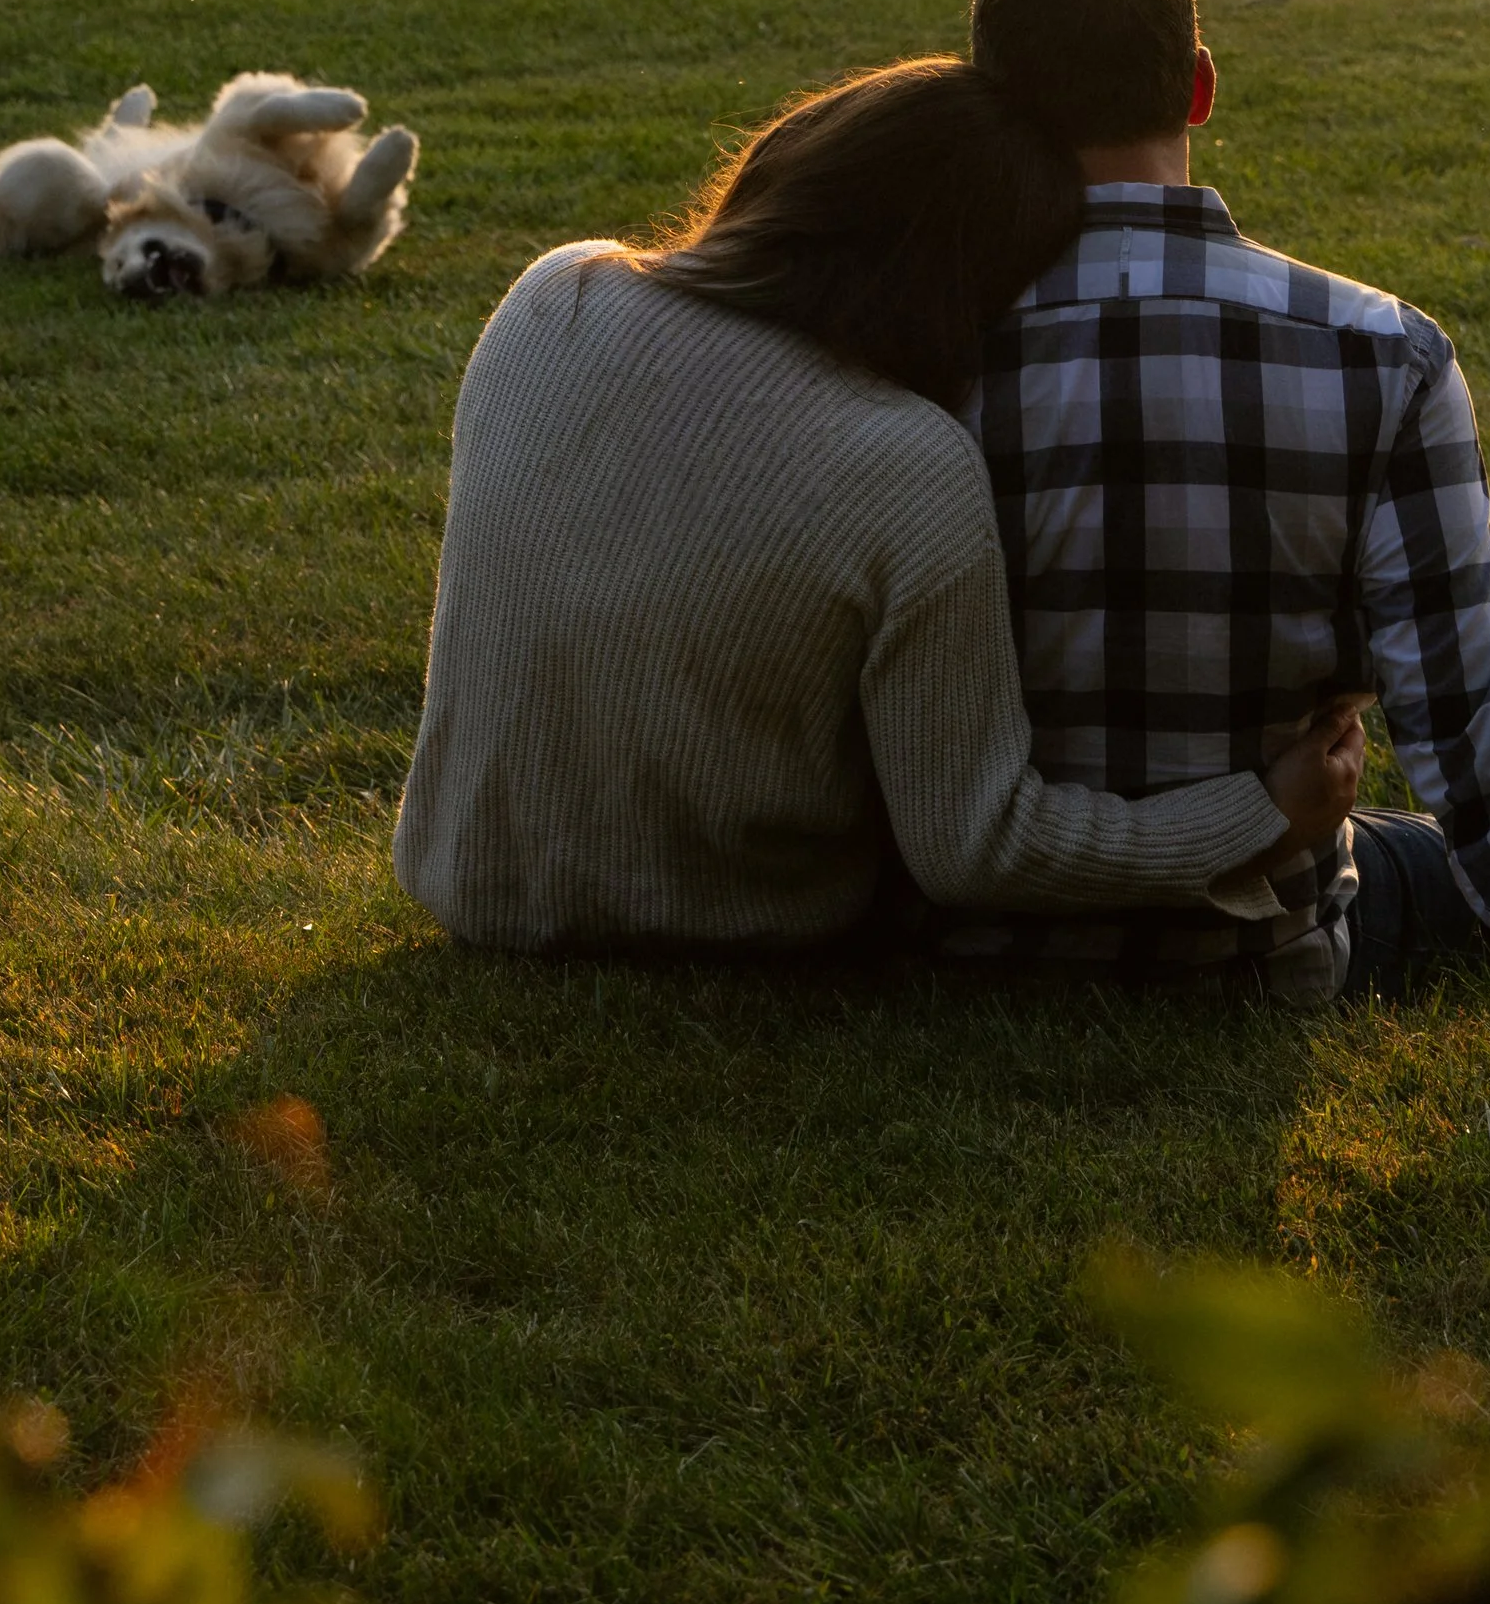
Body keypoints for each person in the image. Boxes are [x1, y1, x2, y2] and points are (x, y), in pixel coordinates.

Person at [949, 0, 1490, 1101]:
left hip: (971, 931)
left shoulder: (924, 337)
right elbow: (1472, 704)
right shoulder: (1374, 350)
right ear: (1199, 87)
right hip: (1255, 946)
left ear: (992, 102)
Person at [393, 58, 1360, 958]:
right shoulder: (904, 461)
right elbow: (979, 842)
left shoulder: (553, 294)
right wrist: (1264, 812)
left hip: (474, 887)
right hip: (717, 932)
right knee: (1406, 860)